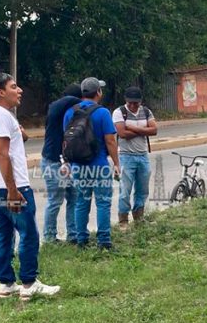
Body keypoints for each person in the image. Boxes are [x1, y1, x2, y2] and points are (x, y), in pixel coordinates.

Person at [0, 72, 60, 300]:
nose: (20, 90)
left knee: (2, 232)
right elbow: (3, 154)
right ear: (0, 92)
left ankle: (6, 283)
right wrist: (13, 190)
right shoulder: (2, 116)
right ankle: (29, 282)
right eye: (14, 86)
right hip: (10, 187)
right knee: (28, 234)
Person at [63, 77, 120, 250]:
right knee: (103, 202)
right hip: (99, 164)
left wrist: (67, 162)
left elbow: (65, 139)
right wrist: (117, 163)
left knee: (81, 202)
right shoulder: (102, 113)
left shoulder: (69, 112)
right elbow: (110, 140)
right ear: (98, 93)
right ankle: (104, 241)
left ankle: (82, 240)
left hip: (78, 165)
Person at [40, 83, 81, 243]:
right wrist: (80, 98)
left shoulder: (68, 114)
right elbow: (64, 101)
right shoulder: (56, 109)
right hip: (53, 162)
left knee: (74, 198)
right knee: (55, 201)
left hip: (67, 163)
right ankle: (50, 238)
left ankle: (73, 234)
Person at [113, 86, 158, 228]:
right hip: (126, 156)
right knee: (125, 191)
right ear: (126, 100)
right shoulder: (119, 112)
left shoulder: (146, 111)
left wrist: (132, 128)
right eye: (130, 102)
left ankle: (139, 217)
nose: (133, 105)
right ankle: (123, 220)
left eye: (136, 103)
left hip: (143, 155)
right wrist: (144, 131)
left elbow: (154, 130)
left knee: (142, 189)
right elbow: (122, 133)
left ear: (140, 101)